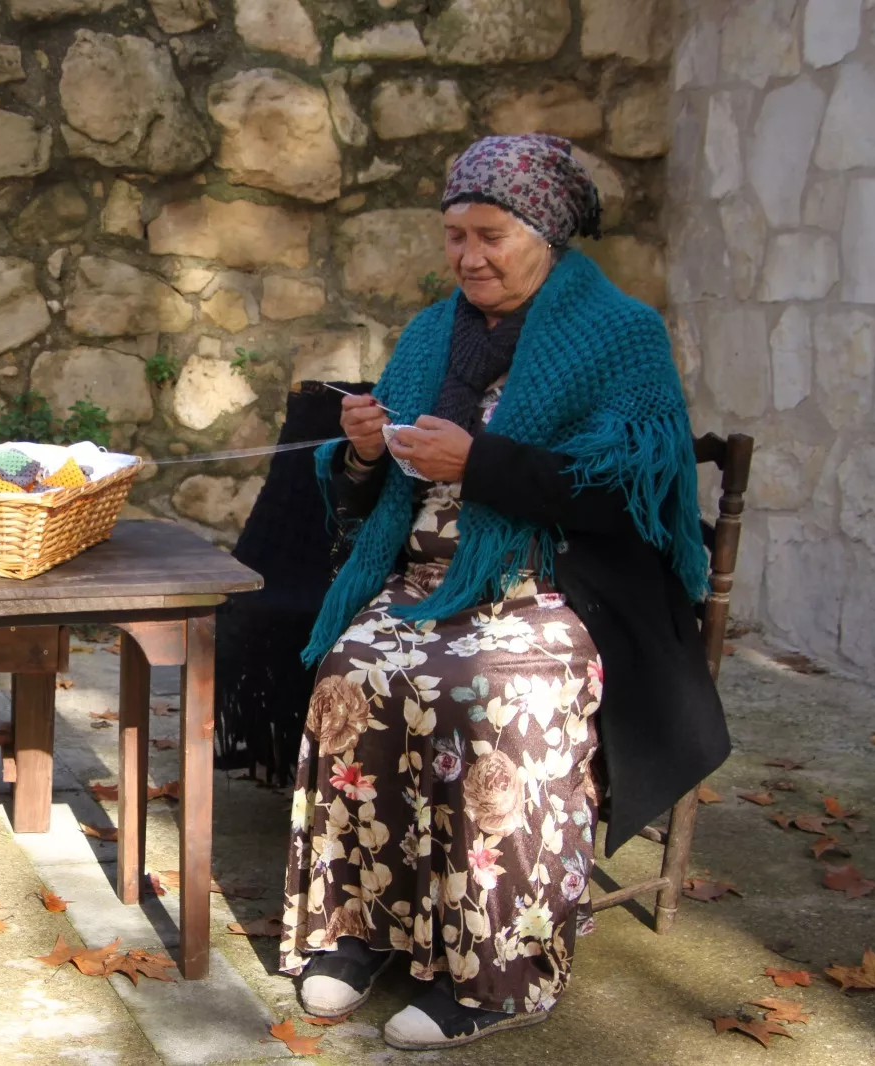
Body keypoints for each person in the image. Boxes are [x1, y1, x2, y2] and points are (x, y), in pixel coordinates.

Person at [277, 134, 730, 1050]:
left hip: (561, 587)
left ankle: (501, 971)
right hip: (425, 578)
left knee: (490, 693)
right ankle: (362, 929)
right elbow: (381, 496)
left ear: (549, 236)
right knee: (354, 671)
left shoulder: (622, 335)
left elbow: (625, 501)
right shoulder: (431, 331)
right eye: (454, 235)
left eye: (490, 235)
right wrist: (367, 452)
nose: (468, 257)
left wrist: (483, 463)